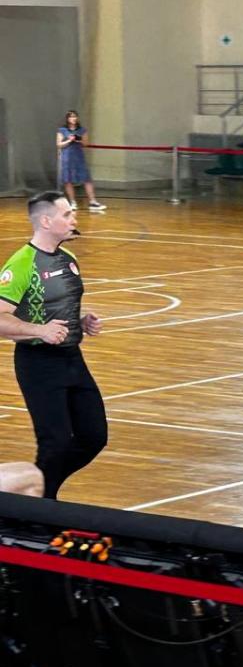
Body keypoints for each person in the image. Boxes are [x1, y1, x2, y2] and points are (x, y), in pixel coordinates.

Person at [0, 191, 107, 498]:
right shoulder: (22, 264)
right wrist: (39, 330)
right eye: (67, 214)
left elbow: (55, 307)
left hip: (72, 359)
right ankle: (40, 508)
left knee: (93, 436)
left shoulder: (68, 258)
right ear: (46, 221)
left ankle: (39, 494)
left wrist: (81, 322)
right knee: (55, 444)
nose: (74, 219)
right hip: (39, 364)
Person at [55, 112, 106, 212]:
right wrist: (69, 140)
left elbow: (86, 143)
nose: (73, 118)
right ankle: (72, 202)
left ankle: (93, 201)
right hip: (67, 157)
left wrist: (79, 140)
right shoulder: (62, 130)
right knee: (68, 179)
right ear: (67, 119)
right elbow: (59, 144)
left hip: (79, 156)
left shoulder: (82, 130)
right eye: (71, 117)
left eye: (75, 116)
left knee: (86, 178)